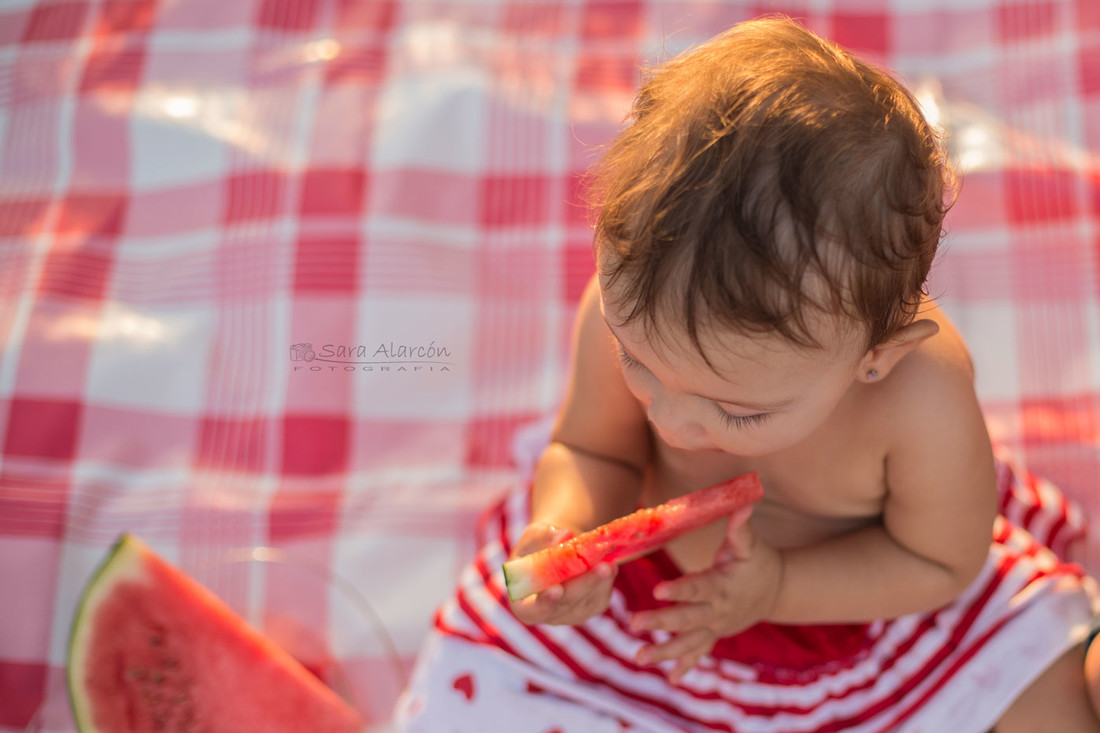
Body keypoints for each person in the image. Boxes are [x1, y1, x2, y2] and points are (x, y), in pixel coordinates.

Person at [395, 16, 1100, 731]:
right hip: (640, 604)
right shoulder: (638, 309)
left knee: (1041, 673)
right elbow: (591, 450)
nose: (669, 422)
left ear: (877, 357)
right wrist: (570, 525)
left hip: (862, 608)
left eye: (737, 411)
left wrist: (779, 588)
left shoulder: (923, 398)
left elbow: (939, 563)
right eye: (638, 361)